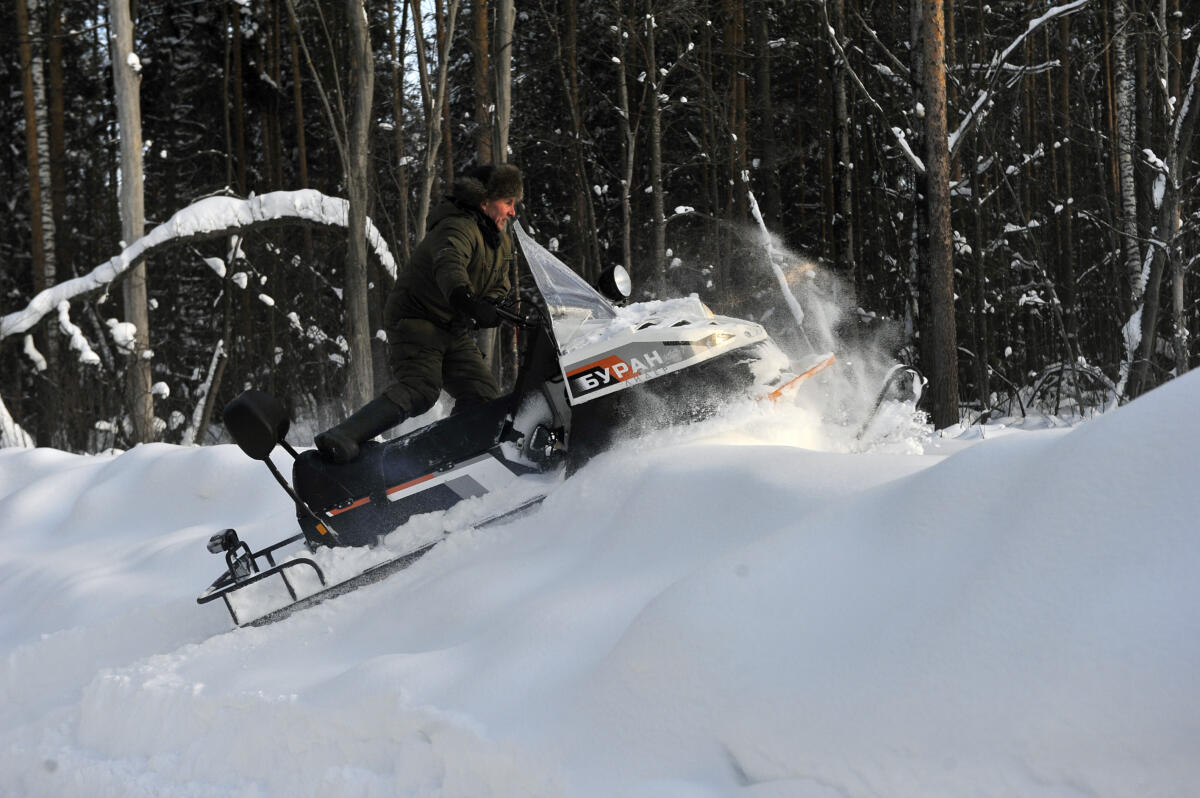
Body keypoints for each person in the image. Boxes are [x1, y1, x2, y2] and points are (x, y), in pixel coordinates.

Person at [314, 163, 523, 463]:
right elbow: (450, 266)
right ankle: (342, 435)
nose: (512, 212)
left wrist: (498, 306)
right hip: (416, 319)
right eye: (508, 203)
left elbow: (499, 284)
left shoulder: (499, 242)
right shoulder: (457, 227)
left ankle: (456, 455)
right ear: (484, 200)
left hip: (452, 326)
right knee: (422, 388)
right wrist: (465, 297)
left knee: (481, 393)